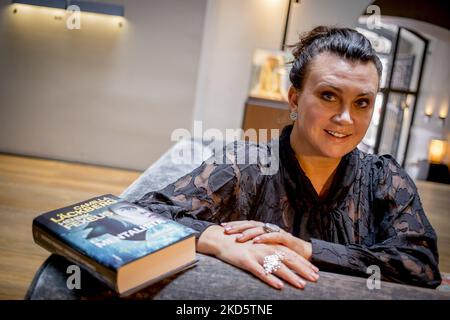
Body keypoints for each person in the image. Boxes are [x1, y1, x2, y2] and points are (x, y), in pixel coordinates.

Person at [134, 26, 441, 290]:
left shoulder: (384, 178)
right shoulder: (246, 166)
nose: (346, 118)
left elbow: (422, 267)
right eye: (329, 96)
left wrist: (307, 250)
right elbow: (142, 216)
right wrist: (217, 240)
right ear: (295, 98)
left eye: (362, 102)